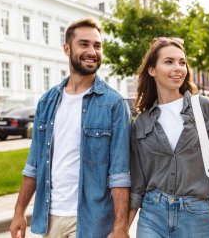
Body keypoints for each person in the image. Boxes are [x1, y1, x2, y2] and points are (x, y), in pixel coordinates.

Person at [10, 18, 131, 238]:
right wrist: (19, 212)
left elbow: (120, 174)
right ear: (67, 49)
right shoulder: (47, 102)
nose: (92, 51)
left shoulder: (115, 104)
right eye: (84, 44)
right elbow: (34, 164)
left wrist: (121, 227)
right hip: (51, 217)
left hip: (93, 221)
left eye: (97, 45)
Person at [128, 37, 209, 237]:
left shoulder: (205, 108)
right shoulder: (141, 122)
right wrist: (122, 228)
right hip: (152, 215)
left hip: (197, 217)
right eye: (169, 62)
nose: (178, 68)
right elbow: (138, 183)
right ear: (152, 70)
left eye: (182, 62)